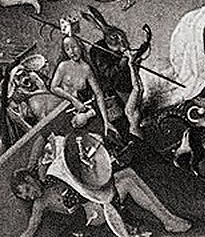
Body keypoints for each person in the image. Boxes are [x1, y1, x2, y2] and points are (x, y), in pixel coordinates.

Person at [12, 133, 191, 237]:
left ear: (29, 179)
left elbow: (42, 137)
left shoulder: (43, 172)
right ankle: (168, 220)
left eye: (28, 190)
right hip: (94, 212)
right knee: (127, 181)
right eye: (27, 197)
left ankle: (169, 219)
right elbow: (30, 229)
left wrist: (31, 164)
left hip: (94, 198)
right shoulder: (40, 203)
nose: (31, 196)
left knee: (128, 173)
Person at [49, 35, 117, 137]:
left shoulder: (86, 68)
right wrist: (73, 100)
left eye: (74, 47)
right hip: (65, 109)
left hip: (82, 110)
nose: (72, 51)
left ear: (80, 46)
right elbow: (54, 87)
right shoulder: (63, 66)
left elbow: (98, 93)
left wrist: (106, 121)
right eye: (67, 49)